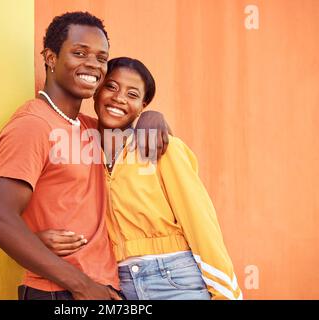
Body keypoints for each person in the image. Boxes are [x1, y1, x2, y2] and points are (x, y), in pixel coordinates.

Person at [0, 12, 169, 300]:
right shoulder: (32, 125)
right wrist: (83, 286)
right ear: (51, 57)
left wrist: (153, 115)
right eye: (80, 53)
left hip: (104, 287)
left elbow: (132, 130)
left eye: (100, 58)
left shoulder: (90, 128)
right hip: (61, 291)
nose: (93, 65)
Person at [38, 57, 243, 300]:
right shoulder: (82, 149)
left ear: (143, 105)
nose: (119, 98)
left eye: (132, 94)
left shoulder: (162, 148)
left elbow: (200, 221)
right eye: (111, 87)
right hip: (119, 285)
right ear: (96, 92)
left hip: (176, 279)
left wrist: (226, 293)